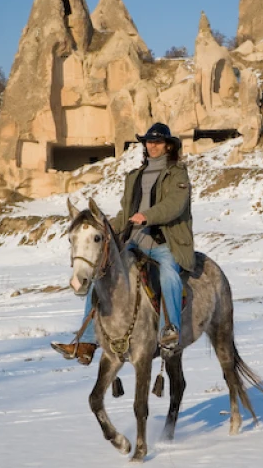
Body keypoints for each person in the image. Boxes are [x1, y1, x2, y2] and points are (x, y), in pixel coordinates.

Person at [52, 122, 195, 364]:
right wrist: (108, 227)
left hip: (165, 241)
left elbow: (175, 206)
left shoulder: (178, 173)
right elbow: (126, 212)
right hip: (135, 241)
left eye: (158, 142)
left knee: (169, 274)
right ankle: (87, 341)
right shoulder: (135, 176)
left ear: (168, 146)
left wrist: (148, 216)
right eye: (149, 142)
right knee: (100, 274)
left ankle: (169, 331)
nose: (153, 146)